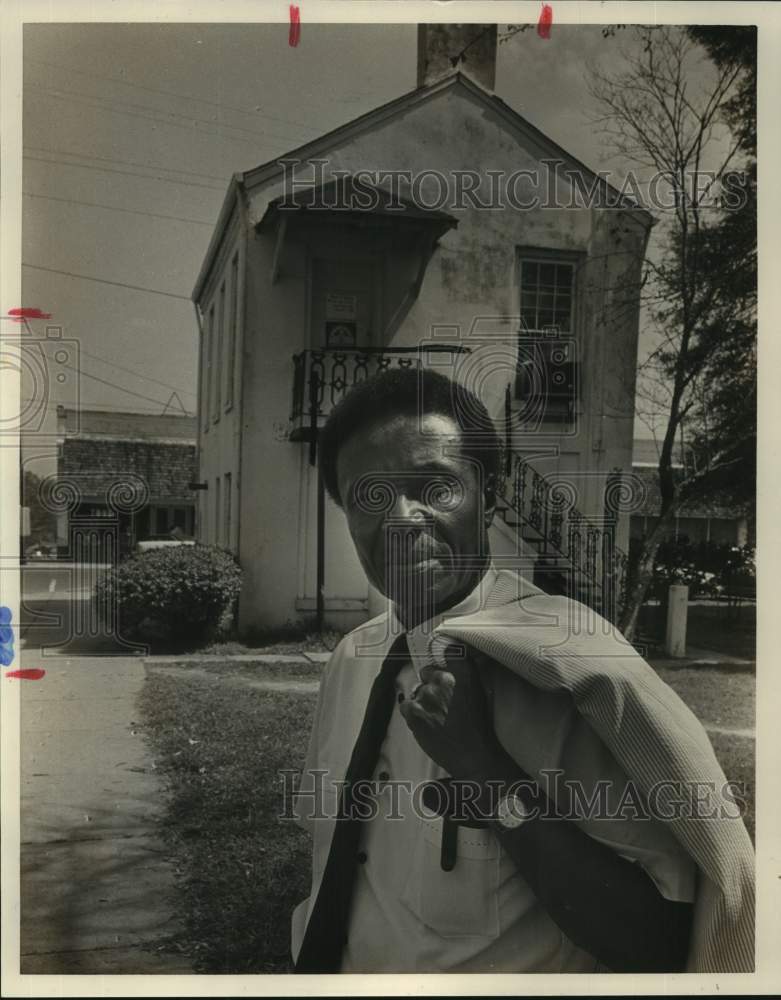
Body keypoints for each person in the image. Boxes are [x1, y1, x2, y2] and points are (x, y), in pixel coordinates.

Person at [290, 367, 754, 975]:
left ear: (490, 498)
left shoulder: (572, 669)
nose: (401, 520)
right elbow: (333, 863)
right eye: (368, 497)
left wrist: (488, 776)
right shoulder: (353, 659)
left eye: (436, 487)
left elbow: (658, 942)